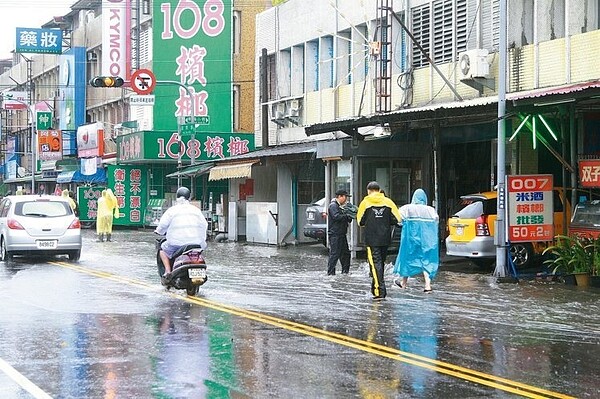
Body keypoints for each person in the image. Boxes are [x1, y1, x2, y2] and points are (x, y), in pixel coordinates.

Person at [356, 181, 401, 300]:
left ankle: (379, 291)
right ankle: (376, 287)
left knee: (375, 264)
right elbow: (397, 219)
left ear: (369, 191)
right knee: (380, 263)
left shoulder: (365, 203)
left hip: (371, 239)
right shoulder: (388, 202)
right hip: (385, 238)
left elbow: (360, 221)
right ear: (379, 190)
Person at [154, 187, 208, 283]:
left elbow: (162, 225)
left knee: (162, 249)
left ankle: (167, 271)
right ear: (189, 197)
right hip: (197, 244)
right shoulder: (196, 210)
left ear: (177, 197)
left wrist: (158, 231)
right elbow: (204, 225)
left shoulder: (172, 210)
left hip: (177, 244)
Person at [393, 188, 439, 293]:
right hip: (427, 241)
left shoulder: (407, 208)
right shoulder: (431, 210)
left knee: (408, 259)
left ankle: (404, 283)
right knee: (427, 261)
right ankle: (427, 285)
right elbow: (436, 221)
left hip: (411, 239)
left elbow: (398, 219)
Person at [327, 189, 353, 275]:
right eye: (345, 197)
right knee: (334, 254)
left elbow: (345, 219)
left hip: (342, 234)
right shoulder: (333, 206)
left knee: (346, 254)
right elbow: (336, 217)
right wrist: (346, 216)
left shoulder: (342, 207)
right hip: (335, 234)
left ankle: (345, 272)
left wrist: (350, 216)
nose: (346, 200)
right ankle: (330, 273)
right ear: (340, 196)